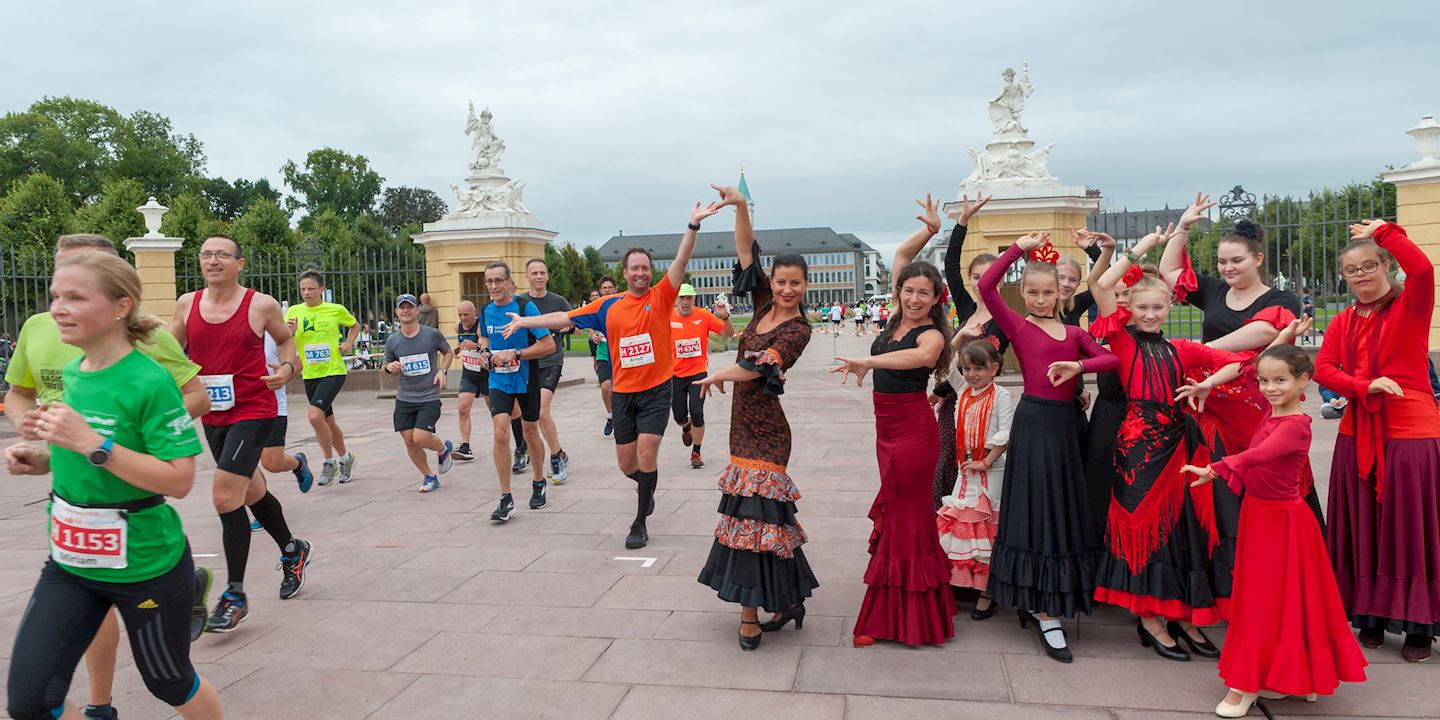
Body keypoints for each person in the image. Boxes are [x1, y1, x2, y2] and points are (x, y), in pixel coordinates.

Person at [5, 251, 226, 720]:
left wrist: (92, 443)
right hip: (70, 561)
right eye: (55, 297)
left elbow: (180, 480)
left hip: (144, 564)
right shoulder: (72, 373)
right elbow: (84, 452)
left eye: (75, 297)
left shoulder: (149, 382)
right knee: (29, 701)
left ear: (121, 306)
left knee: (169, 683)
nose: (57, 309)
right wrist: (43, 458)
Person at [502, 192, 723, 549]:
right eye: (634, 268)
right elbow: (563, 317)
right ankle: (645, 488)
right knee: (626, 464)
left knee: (647, 454)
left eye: (645, 268)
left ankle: (639, 521)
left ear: (650, 273)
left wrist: (692, 225)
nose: (640, 273)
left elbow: (681, 260)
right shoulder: (609, 305)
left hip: (656, 390)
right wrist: (525, 319)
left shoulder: (662, 296)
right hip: (623, 393)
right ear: (625, 273)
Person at [1088, 224, 1260, 662]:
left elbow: (1240, 362)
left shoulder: (1182, 348)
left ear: (1169, 306)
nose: (1148, 314)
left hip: (1180, 446)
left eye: (1156, 307)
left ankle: (1178, 614)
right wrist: (1145, 246)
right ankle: (1149, 618)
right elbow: (1103, 283)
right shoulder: (1122, 342)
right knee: (1145, 530)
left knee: (1179, 534)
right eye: (1141, 307)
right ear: (1129, 308)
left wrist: (1207, 385)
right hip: (1138, 451)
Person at [1183, 346, 1368, 717]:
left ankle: (1246, 684)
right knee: (1274, 598)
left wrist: (1214, 469)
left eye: (1279, 380)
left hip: (1283, 524)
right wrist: (1282, 340)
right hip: (1260, 515)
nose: (1268, 388)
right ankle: (1292, 677)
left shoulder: (1297, 426)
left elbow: (1258, 456)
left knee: (1267, 599)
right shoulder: (1271, 412)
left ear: (1303, 381)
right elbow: (1244, 370)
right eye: (1265, 380)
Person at [1160, 194, 1320, 581]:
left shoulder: (1281, 299)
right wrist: (1182, 228)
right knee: (1221, 497)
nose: (1228, 267)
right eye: (1222, 261)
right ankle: (1230, 582)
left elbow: (1262, 333)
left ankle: (1287, 576)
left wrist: (1191, 352)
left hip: (1259, 410)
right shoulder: (1215, 290)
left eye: (1237, 260)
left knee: (1268, 486)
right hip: (1213, 408)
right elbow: (1169, 273)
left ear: (1258, 260)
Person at [979, 230, 1119, 663]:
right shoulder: (1018, 325)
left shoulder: (1074, 332)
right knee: (1037, 508)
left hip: (1065, 426)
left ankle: (1048, 599)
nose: (1040, 299)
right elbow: (985, 286)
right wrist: (1017, 248)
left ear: (1061, 292)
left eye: (1047, 292)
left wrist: (1077, 365)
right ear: (1022, 293)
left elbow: (1110, 358)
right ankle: (1043, 610)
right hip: (1035, 423)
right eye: (1032, 292)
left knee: (1062, 507)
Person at [171, 234, 314, 633]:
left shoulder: (260, 305)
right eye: (206, 254)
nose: (212, 260)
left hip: (254, 408)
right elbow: (166, 353)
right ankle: (292, 549)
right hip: (213, 413)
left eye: (222, 254)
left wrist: (286, 371)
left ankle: (234, 594)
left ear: (240, 263)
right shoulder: (187, 304)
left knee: (223, 495)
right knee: (250, 492)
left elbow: (288, 345)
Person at [834, 194, 957, 648]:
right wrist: (930, 229)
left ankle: (897, 619)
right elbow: (903, 258)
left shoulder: (932, 334)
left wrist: (869, 365)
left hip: (913, 434)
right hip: (885, 433)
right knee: (906, 516)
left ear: (935, 299)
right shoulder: (894, 317)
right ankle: (915, 612)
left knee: (907, 517)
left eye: (923, 293)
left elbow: (921, 358)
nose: (913, 297)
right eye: (908, 290)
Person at [694, 194, 816, 651]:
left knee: (751, 519)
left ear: (806, 286)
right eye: (782, 281)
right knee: (766, 524)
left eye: (795, 284)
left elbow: (756, 368)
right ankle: (788, 599)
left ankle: (749, 615)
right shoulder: (763, 300)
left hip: (767, 433)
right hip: (741, 426)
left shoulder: (798, 330)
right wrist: (741, 206)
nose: (786, 290)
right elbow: (747, 252)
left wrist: (717, 373)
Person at [1318, 219, 1440, 663]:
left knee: (1410, 529)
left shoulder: (1412, 304)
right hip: (1358, 432)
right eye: (1353, 270)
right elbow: (1323, 368)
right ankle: (1370, 616)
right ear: (1345, 278)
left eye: (1371, 265)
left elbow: (1424, 271)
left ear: (1387, 266)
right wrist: (1361, 386)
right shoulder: (1343, 320)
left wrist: (1388, 232)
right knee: (1364, 525)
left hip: (1411, 431)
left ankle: (1419, 627)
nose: (1362, 275)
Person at [935, 340, 1013, 619]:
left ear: (995, 368)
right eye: (967, 368)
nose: (972, 374)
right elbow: (944, 364)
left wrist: (987, 461)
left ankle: (988, 592)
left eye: (979, 368)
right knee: (959, 526)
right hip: (965, 468)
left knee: (985, 527)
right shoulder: (963, 391)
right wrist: (961, 335)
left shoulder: (1001, 395)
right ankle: (963, 585)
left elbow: (1006, 432)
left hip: (991, 470)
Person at [474, 262, 553, 520]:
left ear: (509, 282)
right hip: (498, 379)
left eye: (498, 281)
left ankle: (539, 481)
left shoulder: (524, 307)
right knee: (499, 433)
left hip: (527, 378)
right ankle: (506, 497)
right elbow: (484, 337)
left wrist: (517, 353)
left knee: (531, 431)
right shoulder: (485, 310)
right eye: (489, 282)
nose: (494, 286)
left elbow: (548, 345)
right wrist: (485, 352)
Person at [929, 193, 994, 509]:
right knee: (946, 463)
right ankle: (942, 525)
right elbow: (950, 264)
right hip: (952, 401)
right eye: (978, 277)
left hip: (983, 405)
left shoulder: (1005, 321)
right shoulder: (967, 308)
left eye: (990, 277)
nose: (983, 283)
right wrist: (963, 221)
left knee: (974, 466)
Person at [284, 269, 360, 485]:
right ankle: (346, 458)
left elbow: (353, 325)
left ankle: (329, 463)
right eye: (303, 289)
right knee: (327, 421)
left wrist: (348, 343)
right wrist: (289, 331)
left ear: (321, 290)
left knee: (314, 416)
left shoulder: (335, 310)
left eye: (310, 289)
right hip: (310, 373)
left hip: (333, 371)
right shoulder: (293, 312)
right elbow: (284, 338)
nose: (306, 293)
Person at [382, 293, 455, 493]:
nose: (405, 311)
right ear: (397, 313)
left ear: (417, 311)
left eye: (409, 307)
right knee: (408, 439)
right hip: (405, 398)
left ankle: (442, 449)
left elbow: (448, 352)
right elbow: (385, 367)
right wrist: (390, 368)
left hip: (429, 396)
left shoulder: (431, 334)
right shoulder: (392, 341)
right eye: (401, 308)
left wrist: (442, 371)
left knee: (420, 438)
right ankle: (429, 476)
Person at [519, 258, 575, 483]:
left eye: (542, 272)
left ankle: (555, 457)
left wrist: (568, 326)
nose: (539, 277)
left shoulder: (558, 301)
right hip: (527, 363)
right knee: (527, 418)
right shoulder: (520, 302)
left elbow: (574, 323)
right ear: (527, 277)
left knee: (542, 412)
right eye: (534, 273)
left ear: (548, 276)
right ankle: (553, 450)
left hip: (551, 361)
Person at [669, 283, 735, 468]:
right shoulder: (667, 317)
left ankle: (696, 452)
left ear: (694, 299)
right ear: (676, 300)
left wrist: (725, 317)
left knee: (697, 412)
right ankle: (685, 427)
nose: (685, 302)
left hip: (698, 374)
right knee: (679, 416)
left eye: (689, 298)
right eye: (682, 298)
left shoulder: (703, 316)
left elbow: (729, 333)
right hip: (675, 375)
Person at [257, 331, 315, 494]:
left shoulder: (271, 332)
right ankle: (261, 509)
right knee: (242, 465)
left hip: (271, 404)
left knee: (272, 463)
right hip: (239, 406)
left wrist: (283, 375)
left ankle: (298, 464)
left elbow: (297, 364)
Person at [454, 300, 489, 461]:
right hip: (469, 373)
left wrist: (475, 346)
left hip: (486, 374)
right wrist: (456, 349)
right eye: (460, 314)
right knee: (462, 408)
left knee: (497, 412)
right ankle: (465, 446)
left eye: (466, 314)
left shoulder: (481, 326)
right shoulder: (458, 326)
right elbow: (459, 342)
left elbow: (485, 344)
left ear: (474, 313)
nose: (463, 318)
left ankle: (519, 444)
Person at [591, 277, 619, 436]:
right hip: (603, 354)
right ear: (600, 291)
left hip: (619, 355)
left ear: (615, 289)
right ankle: (610, 415)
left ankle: (623, 417)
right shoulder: (595, 307)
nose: (607, 290)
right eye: (604, 288)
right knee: (606, 386)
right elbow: (589, 326)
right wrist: (593, 334)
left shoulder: (620, 305)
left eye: (610, 287)